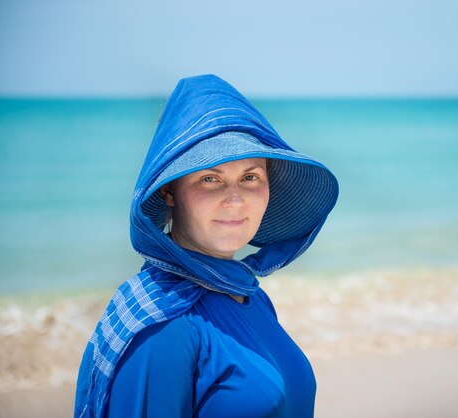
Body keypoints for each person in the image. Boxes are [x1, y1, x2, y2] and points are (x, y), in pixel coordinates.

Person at [74, 74, 339, 418]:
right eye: (210, 179)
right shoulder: (165, 329)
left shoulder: (250, 294)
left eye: (250, 177)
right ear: (170, 192)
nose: (235, 200)